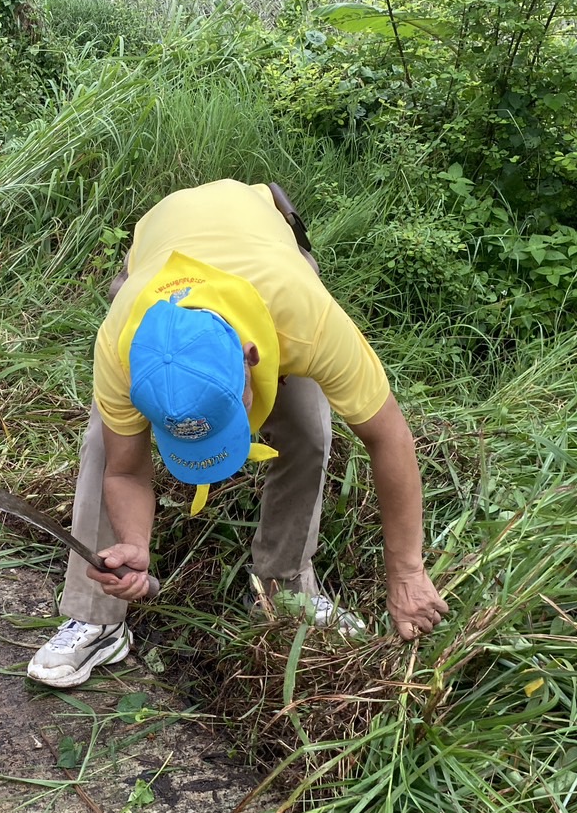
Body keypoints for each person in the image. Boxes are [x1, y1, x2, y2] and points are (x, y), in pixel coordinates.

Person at [27, 179, 449, 689]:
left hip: (265, 250)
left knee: (308, 428)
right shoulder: (122, 343)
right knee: (104, 444)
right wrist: (134, 542)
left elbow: (389, 437)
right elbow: (126, 470)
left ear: (253, 359)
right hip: (162, 243)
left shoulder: (307, 320)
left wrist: (407, 573)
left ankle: (282, 586)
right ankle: (96, 618)